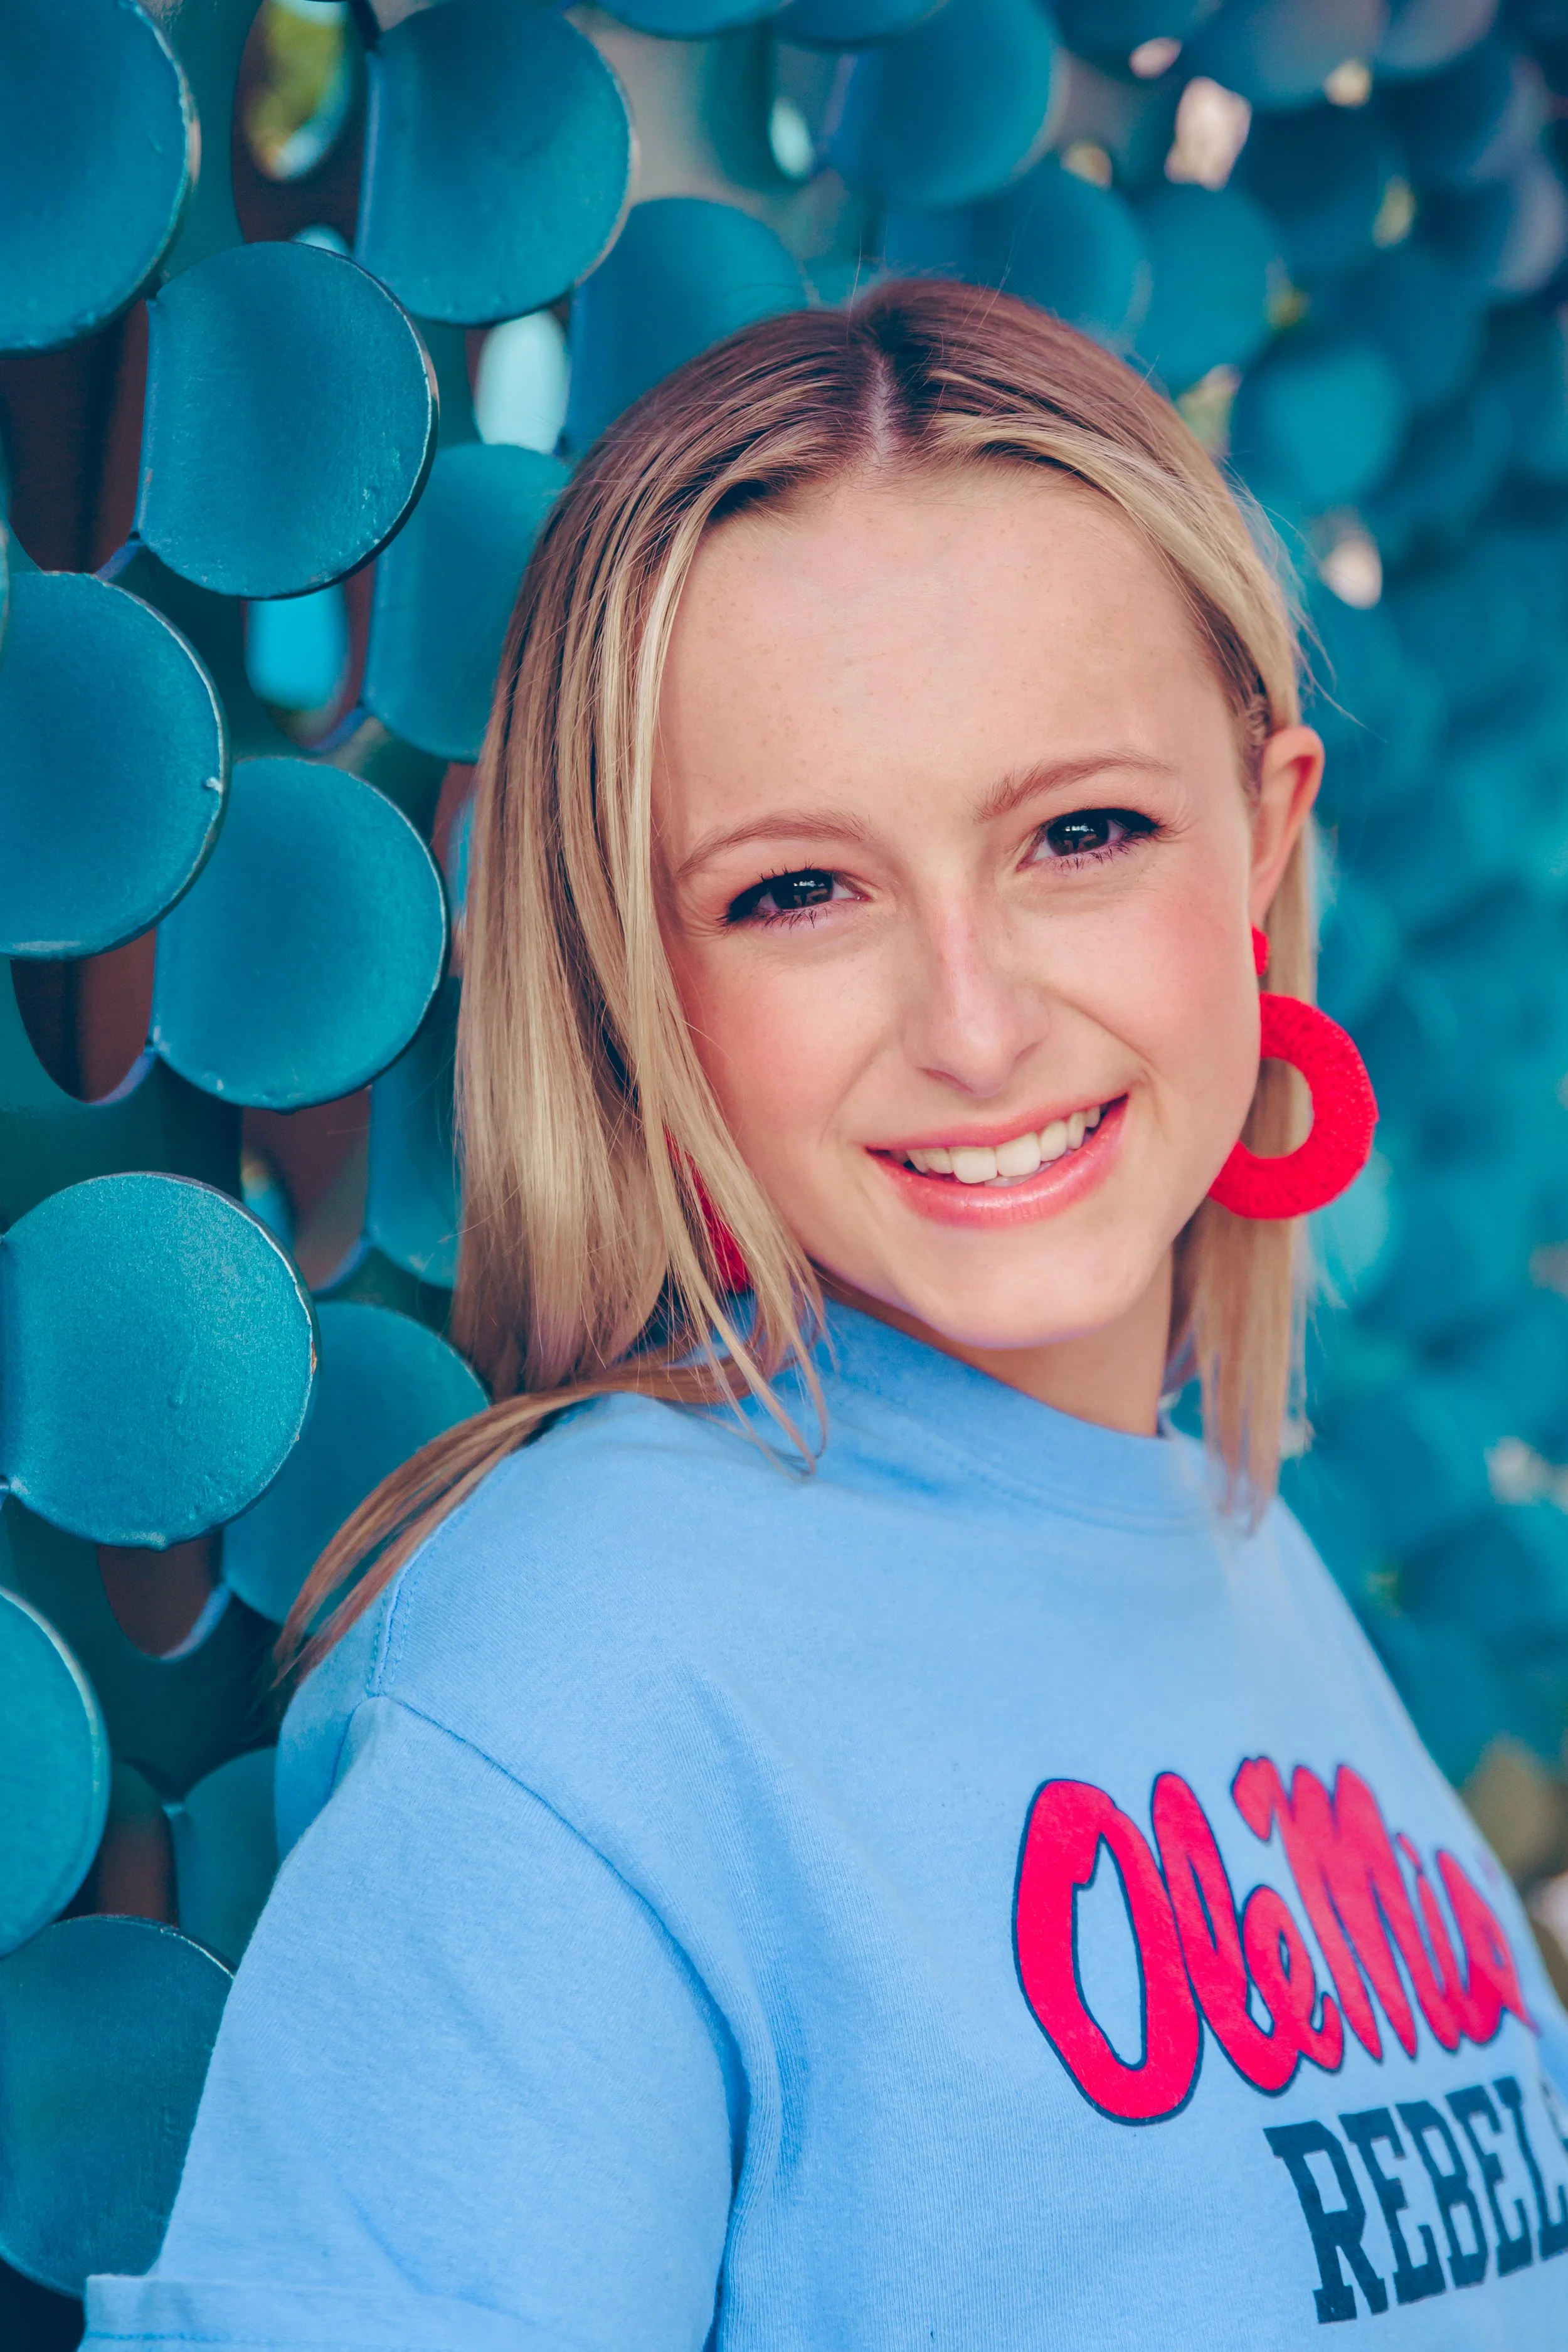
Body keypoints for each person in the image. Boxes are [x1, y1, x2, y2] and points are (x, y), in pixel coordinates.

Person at [87, 282, 1568, 2349]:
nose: (973, 1025)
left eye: (1080, 833)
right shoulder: (580, 1665)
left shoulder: (1230, 1535)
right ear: (645, 980)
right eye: (798, 890)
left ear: (1262, 838)